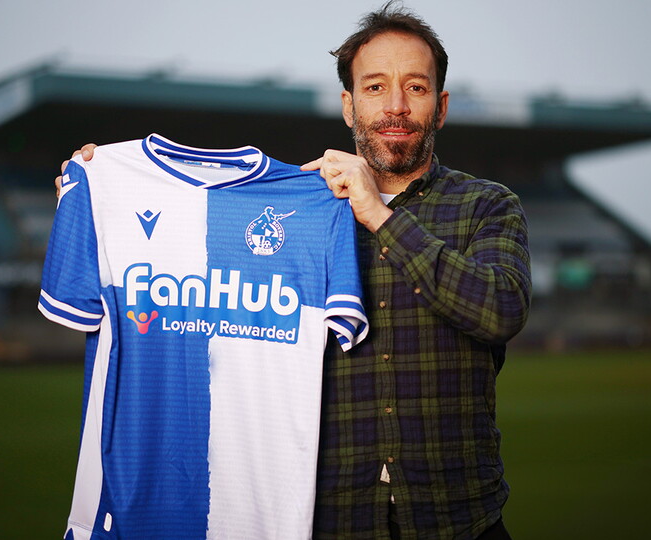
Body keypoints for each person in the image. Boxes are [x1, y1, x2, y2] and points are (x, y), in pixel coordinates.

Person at [57, 3, 530, 539]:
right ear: (349, 106)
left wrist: (377, 213)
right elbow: (185, 281)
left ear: (440, 106)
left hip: (463, 519)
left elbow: (501, 309)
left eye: (415, 88)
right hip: (332, 520)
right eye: (375, 87)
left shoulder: (488, 206)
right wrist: (103, 200)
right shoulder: (292, 214)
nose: (395, 105)